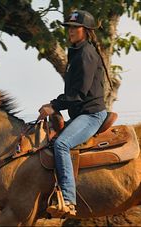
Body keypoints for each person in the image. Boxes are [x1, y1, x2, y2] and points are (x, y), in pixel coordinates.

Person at [38, 10, 108, 215]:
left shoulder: (86, 54)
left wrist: (53, 106)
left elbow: (78, 94)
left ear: (85, 31)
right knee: (50, 141)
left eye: (74, 27)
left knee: (61, 144)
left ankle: (68, 200)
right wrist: (55, 105)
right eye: (68, 27)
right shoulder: (76, 52)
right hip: (80, 115)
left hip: (92, 114)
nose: (70, 31)